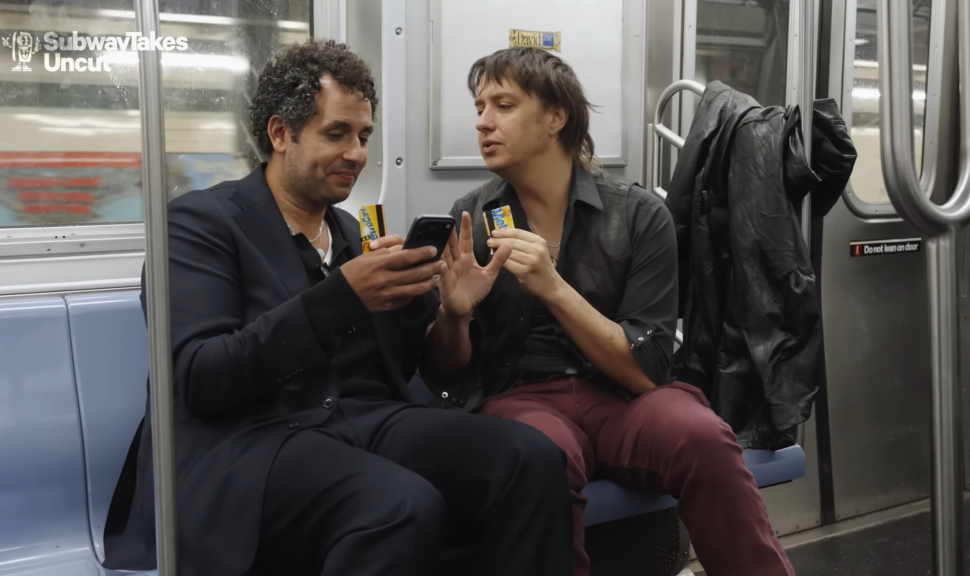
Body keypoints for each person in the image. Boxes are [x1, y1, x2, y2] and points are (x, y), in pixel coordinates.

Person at [102, 40, 573, 576]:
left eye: (364, 136)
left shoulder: (357, 235)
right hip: (250, 444)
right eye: (336, 133)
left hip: (364, 423)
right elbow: (200, 378)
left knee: (529, 458)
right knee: (398, 506)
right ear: (280, 134)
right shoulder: (197, 225)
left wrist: (454, 315)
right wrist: (341, 296)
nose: (356, 152)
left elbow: (437, 368)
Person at [422, 46, 796, 576]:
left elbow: (645, 370)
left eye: (502, 105)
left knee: (703, 435)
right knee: (539, 456)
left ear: (555, 118)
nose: (483, 122)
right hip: (523, 398)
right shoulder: (471, 217)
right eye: (479, 107)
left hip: (623, 396)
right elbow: (448, 371)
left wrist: (552, 287)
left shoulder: (640, 215)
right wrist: (455, 317)